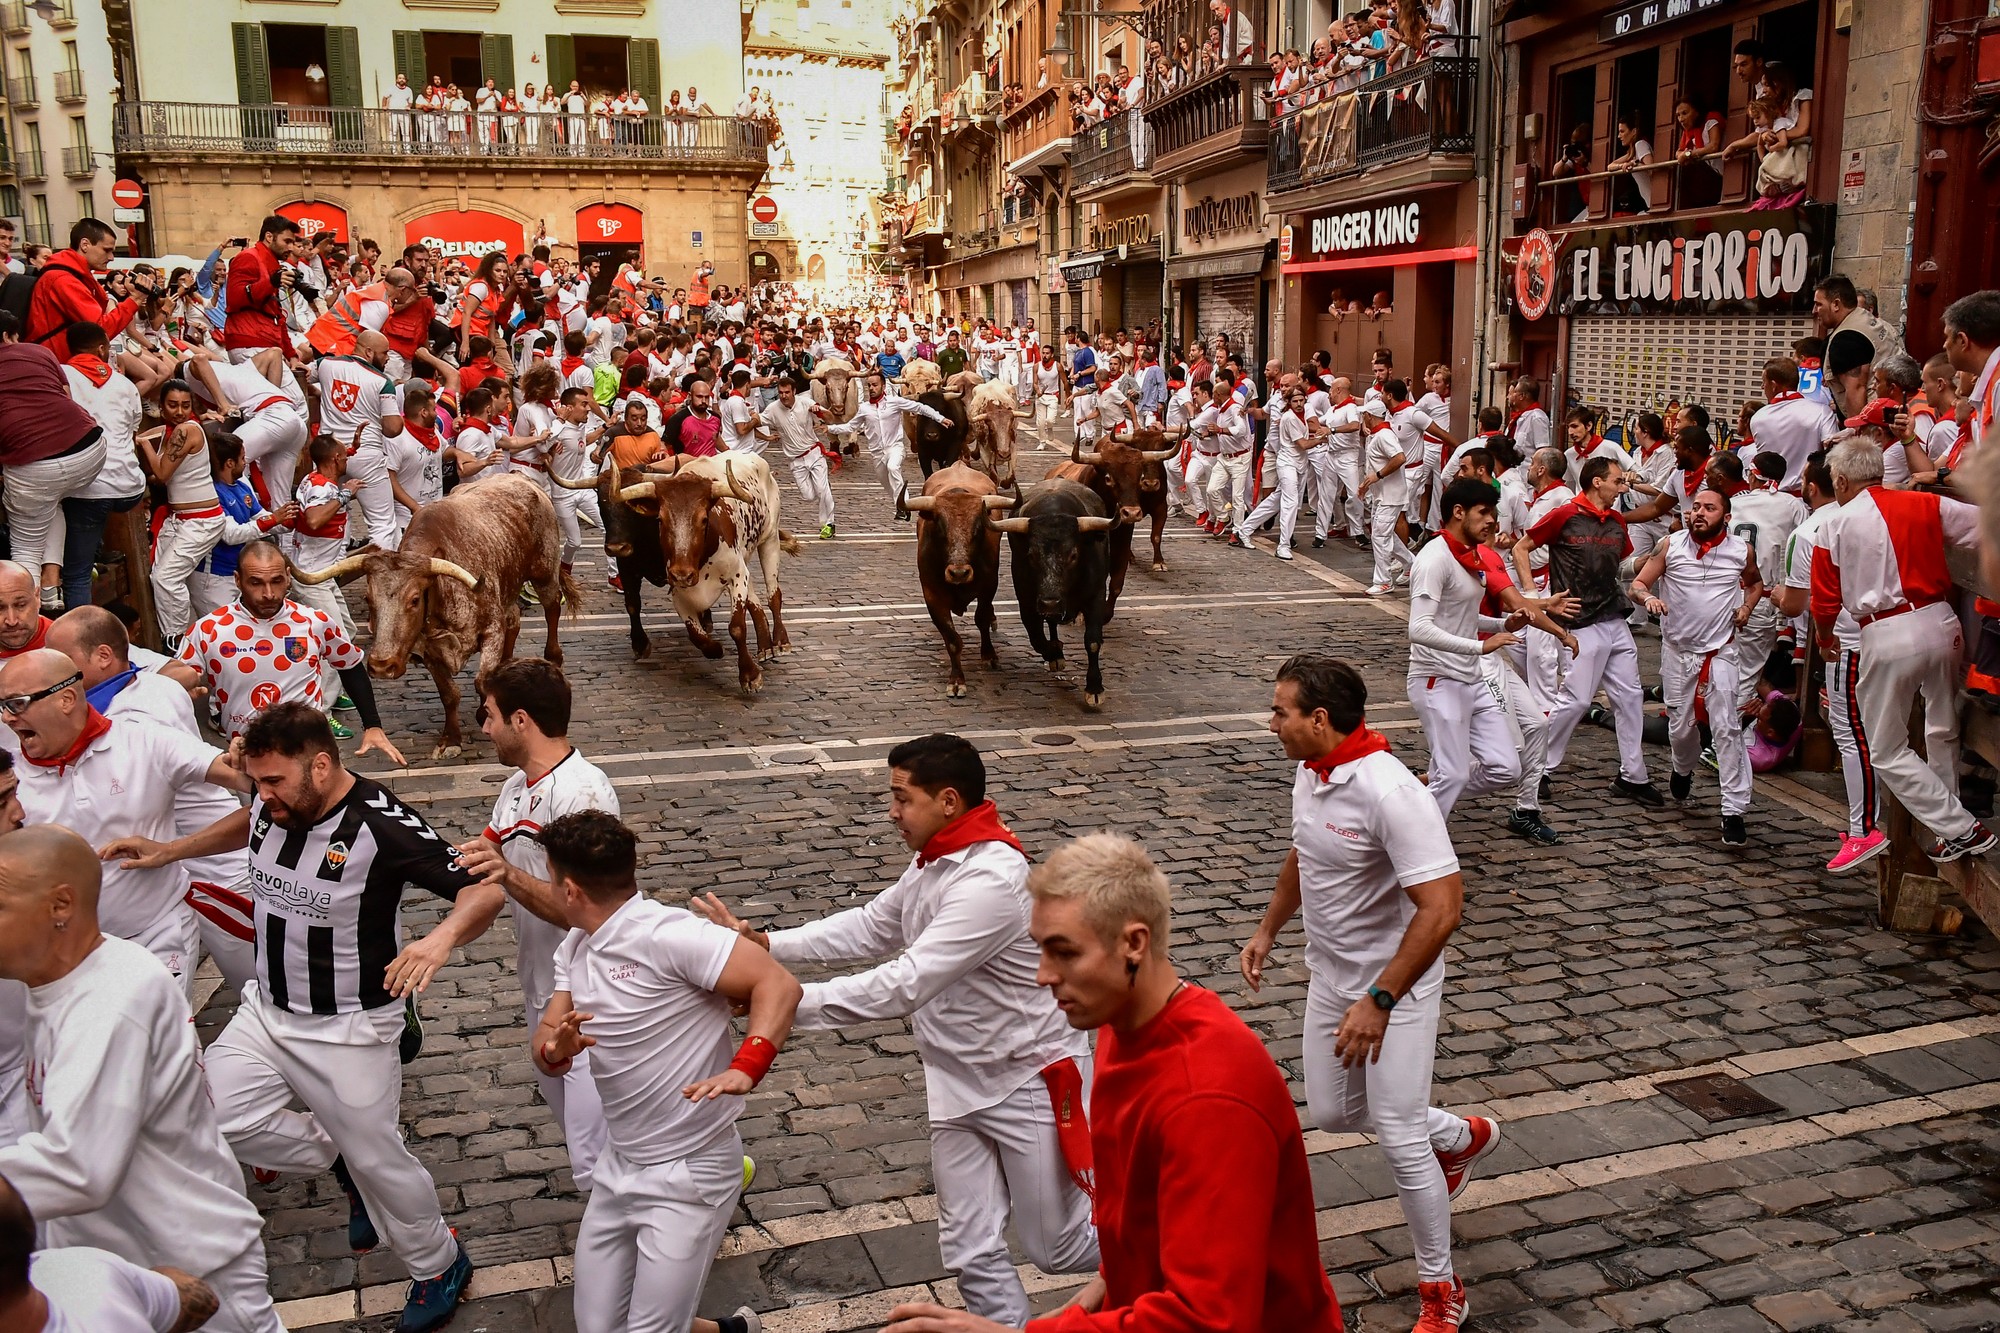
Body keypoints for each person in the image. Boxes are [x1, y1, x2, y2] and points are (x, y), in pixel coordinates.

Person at [105, 703, 501, 1332]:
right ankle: (338, 1155)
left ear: (320, 765)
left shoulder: (381, 824)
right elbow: (247, 824)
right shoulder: (275, 801)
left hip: (350, 1027)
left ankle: (439, 1263)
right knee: (208, 1115)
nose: (261, 795)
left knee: (381, 1162)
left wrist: (440, 939)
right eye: (256, 782)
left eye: (272, 782)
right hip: (266, 1011)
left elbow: (484, 888)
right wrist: (171, 850)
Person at [697, 734, 1100, 1326]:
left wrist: (781, 1002)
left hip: (1025, 1080)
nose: (891, 812)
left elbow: (906, 983)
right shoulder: (936, 858)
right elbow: (873, 925)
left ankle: (1183, 1242)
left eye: (902, 798)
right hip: (957, 1079)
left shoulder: (992, 880)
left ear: (948, 801)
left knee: (1057, 1248)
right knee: (969, 1248)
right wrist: (767, 945)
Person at [886, 833, 1342, 1333]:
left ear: (1134, 944)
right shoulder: (1120, 1026)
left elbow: (1205, 1321)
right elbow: (1136, 1232)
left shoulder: (1206, 1097)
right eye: (1040, 950)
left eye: (1064, 953)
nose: (1042, 976)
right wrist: (1077, 1308)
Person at [1232, 656, 1493, 1333]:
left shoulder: (1392, 793)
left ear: (1319, 719)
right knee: (1333, 1113)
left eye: (1280, 711)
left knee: (1399, 1134)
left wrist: (1380, 1000)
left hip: (1396, 987)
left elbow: (1442, 908)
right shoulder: (1311, 771)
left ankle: (1441, 1288)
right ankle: (1459, 1136)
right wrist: (1267, 929)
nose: (1272, 722)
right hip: (1332, 978)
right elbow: (1304, 854)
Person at [0, 825, 282, 1332]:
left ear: (60, 905)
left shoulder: (110, 1002)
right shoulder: (54, 986)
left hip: (188, 1265)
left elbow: (78, 1168)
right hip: (128, 1264)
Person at [532, 812, 790, 1333]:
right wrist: (556, 1050)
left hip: (689, 1172)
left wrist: (747, 1065)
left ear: (571, 889)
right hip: (618, 1165)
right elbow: (545, 1045)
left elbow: (778, 985)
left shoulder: (671, 935)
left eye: (551, 879)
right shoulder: (576, 946)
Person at [451, 660, 617, 1192]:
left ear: (520, 720)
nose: (484, 728)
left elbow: (585, 909)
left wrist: (505, 873)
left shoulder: (583, 794)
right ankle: (705, 1168)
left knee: (595, 1160)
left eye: (489, 715)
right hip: (540, 987)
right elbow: (482, 860)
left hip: (590, 999)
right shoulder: (515, 789)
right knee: (583, 1132)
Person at [0, 648, 251, 998]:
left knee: (155, 1031)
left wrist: (173, 850)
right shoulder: (8, 783)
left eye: (17, 704)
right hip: (59, 961)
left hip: (157, 937)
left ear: (66, 699)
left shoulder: (145, 740)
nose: (7, 718)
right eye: (3, 706)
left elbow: (254, 783)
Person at [1811, 438, 1995, 861]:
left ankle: (1960, 826)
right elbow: (1984, 526)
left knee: (1886, 749)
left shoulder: (1834, 524)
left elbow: (1824, 600)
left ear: (1841, 481)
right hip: (1941, 620)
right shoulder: (1925, 504)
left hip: (1887, 631)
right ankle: (1951, 829)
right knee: (1942, 727)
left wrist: (1824, 639)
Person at [1406, 476, 1577, 840]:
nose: (1492, 522)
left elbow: (1463, 616)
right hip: (1438, 680)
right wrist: (1481, 647)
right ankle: (1417, 842)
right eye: (1484, 513)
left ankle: (1413, 798)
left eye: (1493, 515)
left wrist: (1502, 623)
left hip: (1470, 678)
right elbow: (1419, 628)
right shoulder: (1434, 559)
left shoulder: (1472, 557)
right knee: (1453, 774)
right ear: (1458, 512)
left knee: (1505, 767)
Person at [1514, 456, 1664, 806]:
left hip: (1614, 616)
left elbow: (1620, 567)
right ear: (1598, 482)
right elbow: (1522, 548)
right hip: (1580, 620)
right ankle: (1539, 768)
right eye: (1617, 481)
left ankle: (1633, 776)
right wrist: (1534, 597)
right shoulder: (1565, 514)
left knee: (1630, 698)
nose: (1622, 488)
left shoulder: (1616, 521)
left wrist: (1648, 561)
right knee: (1576, 700)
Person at [1628, 487, 1762, 845]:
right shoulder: (1669, 546)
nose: (1698, 512)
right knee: (1682, 730)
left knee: (1727, 727)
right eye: (1696, 507)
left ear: (1726, 517)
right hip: (1678, 653)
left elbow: (1755, 584)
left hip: (1721, 652)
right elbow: (1637, 584)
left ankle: (1733, 811)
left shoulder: (1741, 551)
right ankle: (1682, 767)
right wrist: (1648, 597)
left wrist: (1746, 608)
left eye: (1709, 508)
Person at [1776, 456, 1883, 872]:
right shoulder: (1877, 515)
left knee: (1851, 732)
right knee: (1883, 732)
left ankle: (1863, 829)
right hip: (1892, 630)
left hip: (1846, 639)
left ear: (1813, 486)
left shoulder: (1809, 531)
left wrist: (1775, 596)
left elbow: (1798, 603)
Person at [0, 313, 108, 616]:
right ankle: (49, 590)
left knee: (26, 549)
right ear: (9, 336)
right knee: (50, 501)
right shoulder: (40, 352)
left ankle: (25, 621)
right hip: (90, 450)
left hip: (34, 467)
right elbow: (67, 397)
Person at [315, 329, 409, 550]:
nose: (387, 358)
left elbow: (300, 373)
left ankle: (337, 563)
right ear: (368, 352)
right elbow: (393, 428)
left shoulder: (325, 364)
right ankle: (383, 569)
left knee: (334, 516)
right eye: (384, 353)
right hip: (366, 454)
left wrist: (321, 395)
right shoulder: (382, 381)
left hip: (328, 453)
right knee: (381, 523)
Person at [822, 368, 952, 511]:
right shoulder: (864, 408)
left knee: (893, 467)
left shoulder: (894, 402)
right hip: (877, 453)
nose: (871, 388)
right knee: (886, 483)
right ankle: (900, 504)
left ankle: (904, 506)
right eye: (869, 385)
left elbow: (920, 407)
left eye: (875, 385)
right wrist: (829, 428)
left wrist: (940, 418)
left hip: (894, 447)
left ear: (883, 386)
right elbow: (850, 426)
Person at [24, 219, 148, 361]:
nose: (111, 257)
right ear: (85, 245)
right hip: (58, 362)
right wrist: (135, 299)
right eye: (106, 250)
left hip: (61, 359)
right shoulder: (63, 279)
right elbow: (99, 332)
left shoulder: (73, 275)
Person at [762, 374, 836, 539]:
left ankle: (828, 524)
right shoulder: (773, 409)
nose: (784, 396)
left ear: (794, 391)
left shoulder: (806, 403)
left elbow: (831, 418)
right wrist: (752, 420)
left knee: (822, 490)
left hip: (813, 453)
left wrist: (820, 412)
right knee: (808, 495)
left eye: (787, 392)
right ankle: (824, 493)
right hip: (795, 460)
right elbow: (757, 421)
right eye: (781, 393)